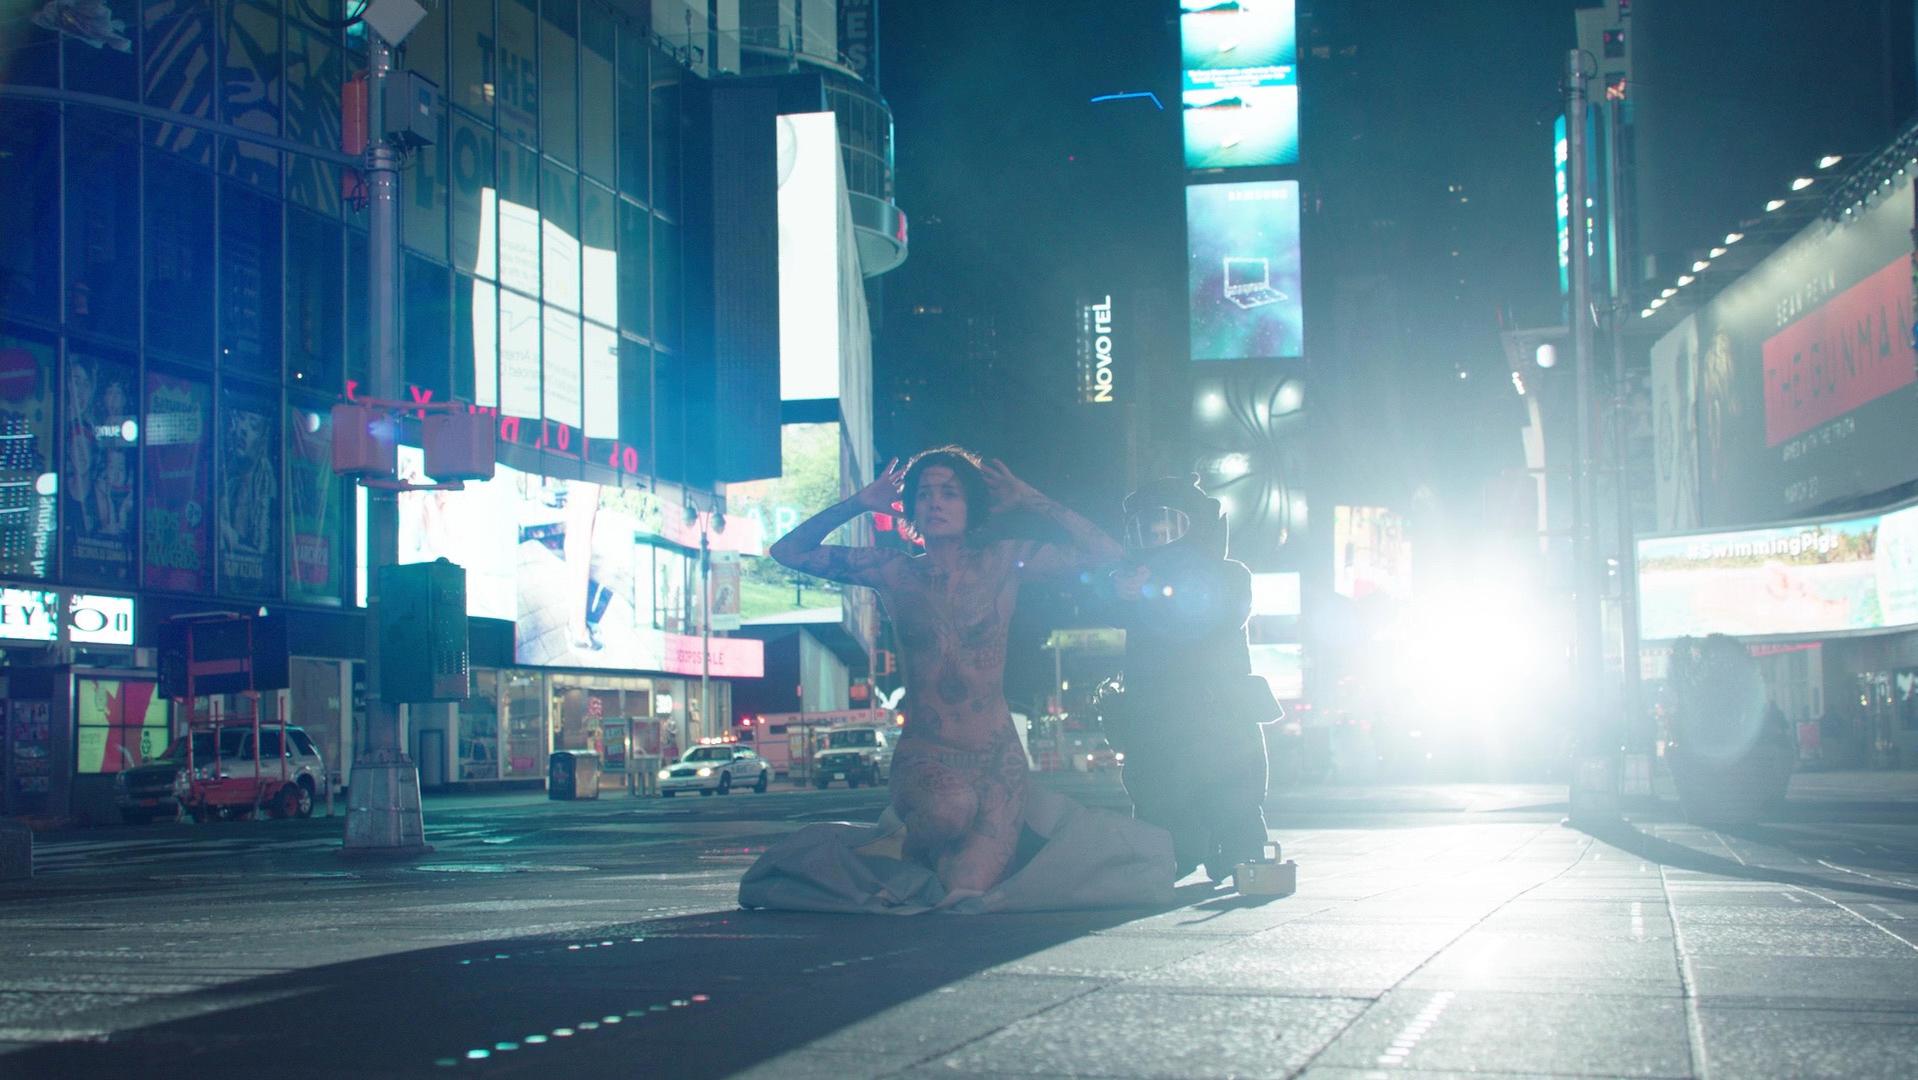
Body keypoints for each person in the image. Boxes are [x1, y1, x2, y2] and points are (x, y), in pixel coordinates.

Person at [768, 447, 1124, 899]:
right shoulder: (894, 571)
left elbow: (1108, 553)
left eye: (950, 493)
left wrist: (1029, 498)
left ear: (972, 505)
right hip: (927, 756)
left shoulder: (1004, 561)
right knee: (950, 809)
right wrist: (859, 503)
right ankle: (895, 848)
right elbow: (787, 551)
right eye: (924, 494)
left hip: (997, 761)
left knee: (965, 890)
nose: (935, 502)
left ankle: (916, 856)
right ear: (911, 508)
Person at [1103, 475, 1279, 883]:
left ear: (1197, 527)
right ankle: (1171, 852)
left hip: (1217, 716)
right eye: (1147, 531)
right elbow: (1098, 599)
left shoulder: (1229, 575)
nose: (1158, 539)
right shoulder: (1133, 580)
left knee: (1234, 798)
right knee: (1157, 800)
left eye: (1168, 527)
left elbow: (1210, 610)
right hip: (1155, 719)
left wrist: (1151, 588)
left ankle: (1238, 851)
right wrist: (1117, 586)